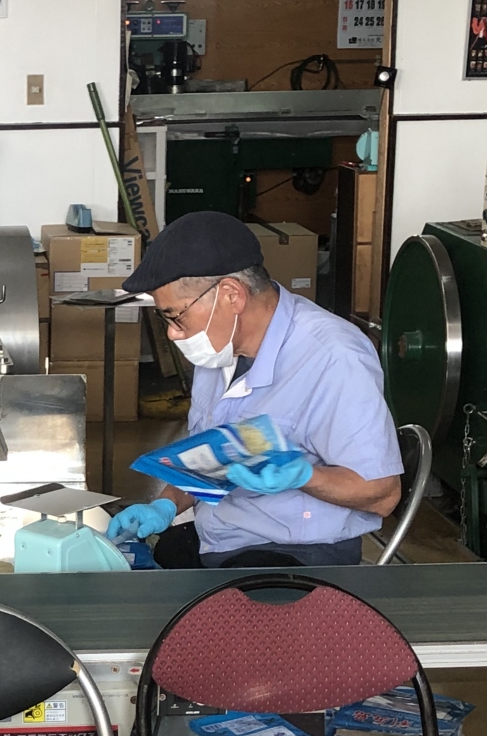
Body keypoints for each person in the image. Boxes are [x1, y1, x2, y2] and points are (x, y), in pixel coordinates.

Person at [107, 211, 402, 569]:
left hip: (298, 554)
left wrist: (304, 475)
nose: (172, 333)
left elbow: (382, 494)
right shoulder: (220, 348)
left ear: (231, 295)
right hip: (220, 536)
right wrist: (165, 504)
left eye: (176, 316)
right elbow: (209, 460)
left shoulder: (333, 357)